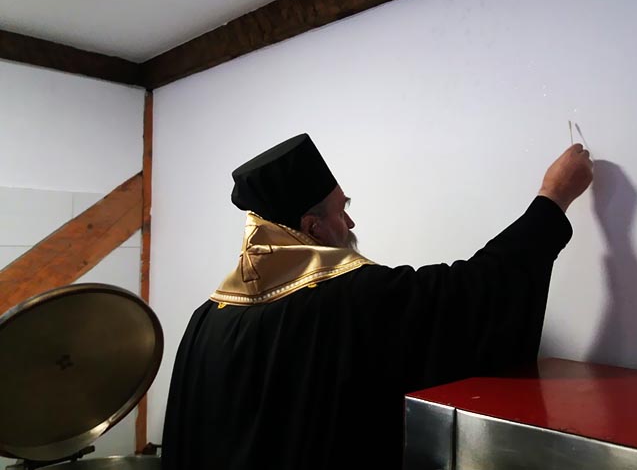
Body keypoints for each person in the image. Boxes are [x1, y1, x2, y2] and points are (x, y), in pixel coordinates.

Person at [161, 133, 593, 470]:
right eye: (340, 210)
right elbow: (471, 294)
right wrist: (553, 198)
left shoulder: (207, 318)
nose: (350, 222)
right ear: (312, 228)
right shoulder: (349, 299)